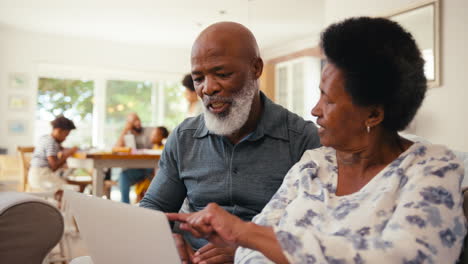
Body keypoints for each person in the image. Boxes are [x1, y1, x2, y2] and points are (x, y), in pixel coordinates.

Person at [168, 17, 466, 264]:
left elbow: (405, 257)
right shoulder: (313, 166)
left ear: (373, 114)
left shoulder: (433, 168)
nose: (315, 110)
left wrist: (244, 233)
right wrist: (247, 240)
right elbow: (250, 253)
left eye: (329, 99)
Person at [140, 21, 321, 263]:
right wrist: (167, 239)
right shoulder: (184, 137)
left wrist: (246, 251)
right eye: (198, 78)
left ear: (256, 68)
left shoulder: (302, 140)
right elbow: (154, 206)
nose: (208, 88)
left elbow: (315, 231)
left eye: (222, 74)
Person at [29, 115, 78, 193]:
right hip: (42, 176)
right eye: (65, 135)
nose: (65, 138)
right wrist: (68, 154)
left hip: (35, 175)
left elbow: (56, 150)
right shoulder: (51, 142)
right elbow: (54, 166)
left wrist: (63, 150)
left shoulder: (45, 138)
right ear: (59, 131)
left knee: (66, 184)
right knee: (73, 190)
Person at [115, 112, 153, 203]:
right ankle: (125, 206)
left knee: (123, 175)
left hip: (150, 167)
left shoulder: (149, 131)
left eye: (138, 119)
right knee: (123, 175)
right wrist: (125, 130)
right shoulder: (127, 134)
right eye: (133, 121)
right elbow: (116, 148)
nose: (137, 123)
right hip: (136, 169)